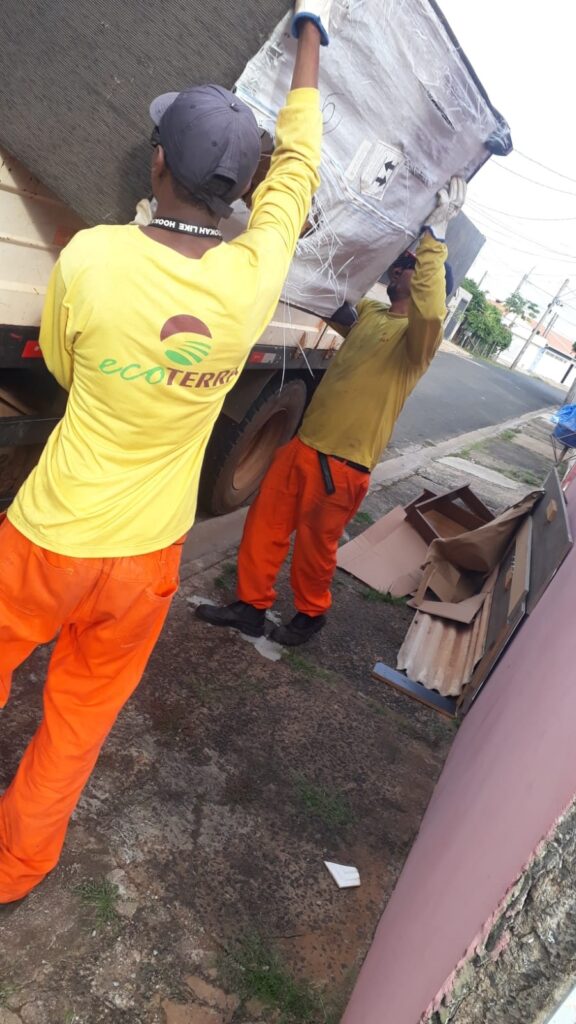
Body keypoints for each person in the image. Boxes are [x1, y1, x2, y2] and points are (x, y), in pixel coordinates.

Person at [0, 1, 331, 906]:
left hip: (45, 541)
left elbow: (65, 368)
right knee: (75, 728)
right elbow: (299, 171)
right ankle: (14, 870)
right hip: (144, 562)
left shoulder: (93, 259)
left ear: (156, 163)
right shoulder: (250, 279)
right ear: (238, 189)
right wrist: (312, 41)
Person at [196, 177, 467, 646]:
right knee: (265, 527)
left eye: (408, 265)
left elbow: (430, 310)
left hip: (341, 467)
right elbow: (333, 291)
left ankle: (310, 613)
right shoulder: (373, 316)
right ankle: (250, 606)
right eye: (404, 262)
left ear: (427, 284)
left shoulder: (418, 341)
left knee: (315, 551)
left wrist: (435, 241)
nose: (401, 267)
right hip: (303, 445)